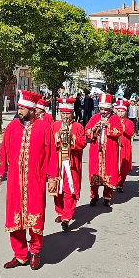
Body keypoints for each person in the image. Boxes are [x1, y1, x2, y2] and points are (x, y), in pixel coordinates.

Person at [0, 89, 58, 270]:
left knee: (35, 217)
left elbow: (52, 153)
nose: (19, 111)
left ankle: (35, 251)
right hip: (15, 181)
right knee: (15, 218)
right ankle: (20, 255)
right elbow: (3, 150)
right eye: (19, 108)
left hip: (35, 180)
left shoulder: (44, 127)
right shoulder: (12, 127)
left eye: (22, 108)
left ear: (31, 110)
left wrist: (53, 176)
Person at [52, 98, 87, 231]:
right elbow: (49, 142)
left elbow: (83, 143)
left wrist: (72, 137)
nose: (65, 116)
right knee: (57, 188)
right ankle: (59, 211)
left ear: (73, 114)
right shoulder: (55, 126)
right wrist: (57, 137)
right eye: (63, 113)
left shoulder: (78, 127)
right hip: (58, 162)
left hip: (72, 163)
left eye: (68, 114)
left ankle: (67, 216)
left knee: (69, 189)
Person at [86, 93, 123, 207]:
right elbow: (87, 130)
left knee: (109, 172)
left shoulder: (115, 118)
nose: (103, 112)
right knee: (94, 173)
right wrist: (94, 129)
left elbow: (119, 131)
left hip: (110, 151)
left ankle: (107, 197)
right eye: (101, 109)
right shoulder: (95, 117)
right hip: (96, 150)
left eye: (106, 109)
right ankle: (94, 196)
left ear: (110, 109)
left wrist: (109, 126)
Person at [115, 98, 134, 193]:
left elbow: (131, 133)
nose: (120, 113)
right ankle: (113, 182)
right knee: (113, 165)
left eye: (122, 111)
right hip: (114, 146)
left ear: (126, 112)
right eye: (119, 111)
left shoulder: (129, 122)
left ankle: (120, 184)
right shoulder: (112, 120)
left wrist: (123, 128)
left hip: (124, 146)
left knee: (123, 167)